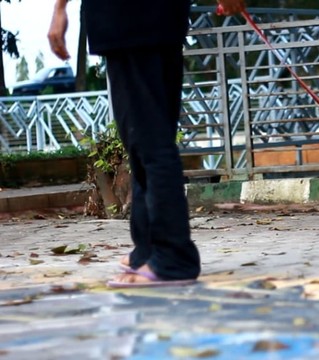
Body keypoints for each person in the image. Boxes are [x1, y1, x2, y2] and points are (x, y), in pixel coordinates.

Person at [48, 0, 246, 287]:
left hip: (126, 17)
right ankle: (149, 251)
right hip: (162, 16)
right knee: (149, 140)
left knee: (148, 142)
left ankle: (172, 259)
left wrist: (59, 9)